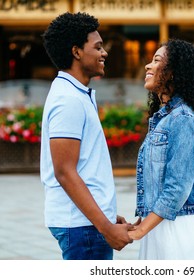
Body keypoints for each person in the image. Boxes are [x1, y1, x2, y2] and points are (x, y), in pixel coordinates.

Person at [40, 12, 134, 260]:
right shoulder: (68, 100)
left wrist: (106, 214)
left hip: (86, 224)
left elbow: (83, 167)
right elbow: (65, 172)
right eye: (98, 47)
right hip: (82, 228)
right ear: (77, 52)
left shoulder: (75, 93)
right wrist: (106, 228)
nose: (104, 53)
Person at [128, 39, 194, 259]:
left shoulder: (183, 120)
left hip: (178, 228)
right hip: (161, 223)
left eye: (156, 61)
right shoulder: (166, 118)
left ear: (173, 72)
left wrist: (142, 229)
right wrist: (142, 222)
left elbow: (177, 188)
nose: (147, 66)